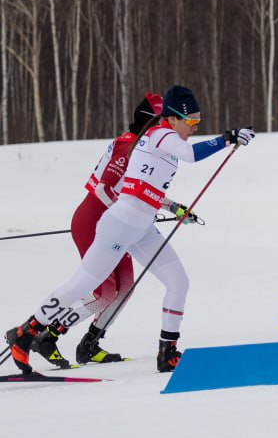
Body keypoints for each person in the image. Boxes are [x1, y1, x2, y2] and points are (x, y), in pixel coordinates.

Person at [4, 86, 254, 375]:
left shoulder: (163, 142)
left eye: (199, 121)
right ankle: (25, 333)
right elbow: (191, 154)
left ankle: (167, 352)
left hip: (142, 228)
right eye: (192, 121)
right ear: (172, 118)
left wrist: (172, 206)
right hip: (120, 224)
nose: (196, 127)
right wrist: (227, 138)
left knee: (178, 283)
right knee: (83, 285)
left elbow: (139, 185)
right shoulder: (161, 134)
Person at [28, 93, 185, 369]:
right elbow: (104, 189)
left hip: (119, 226)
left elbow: (139, 191)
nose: (168, 129)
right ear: (149, 122)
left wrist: (172, 206)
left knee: (125, 287)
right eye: (163, 122)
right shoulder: (128, 147)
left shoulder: (143, 146)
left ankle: (90, 343)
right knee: (104, 292)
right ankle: (48, 335)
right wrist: (123, 216)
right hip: (95, 220)